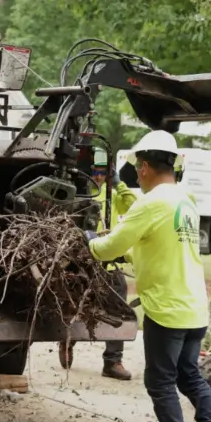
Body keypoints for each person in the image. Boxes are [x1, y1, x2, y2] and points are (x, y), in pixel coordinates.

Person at [83, 131, 211, 422]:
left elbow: (109, 247)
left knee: (160, 381)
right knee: (191, 378)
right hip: (194, 306)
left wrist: (88, 242)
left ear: (143, 167)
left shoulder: (151, 203)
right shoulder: (185, 199)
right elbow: (150, 243)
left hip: (167, 310)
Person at [58, 147, 136, 380]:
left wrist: (119, 185)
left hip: (108, 260)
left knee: (118, 307)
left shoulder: (113, 193)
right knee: (73, 304)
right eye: (95, 172)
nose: (99, 177)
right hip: (80, 261)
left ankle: (113, 362)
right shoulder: (79, 194)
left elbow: (135, 208)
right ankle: (67, 341)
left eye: (104, 173)